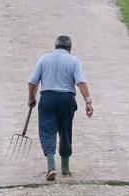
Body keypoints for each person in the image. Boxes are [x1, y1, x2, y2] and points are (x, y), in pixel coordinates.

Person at [27, 35, 93, 181]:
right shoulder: (74, 61)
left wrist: (31, 97)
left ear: (55, 46)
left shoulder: (44, 59)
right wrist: (88, 102)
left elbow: (32, 81)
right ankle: (65, 168)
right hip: (66, 99)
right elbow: (81, 82)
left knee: (47, 130)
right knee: (65, 131)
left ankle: (51, 166)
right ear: (70, 48)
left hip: (48, 98)